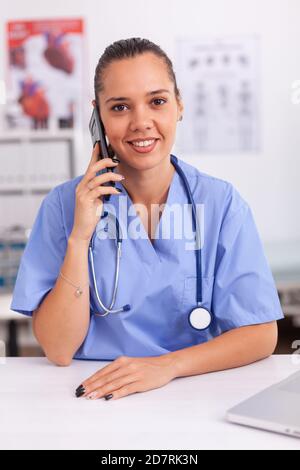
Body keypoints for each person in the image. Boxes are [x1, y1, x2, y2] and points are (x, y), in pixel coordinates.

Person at [11, 38, 284, 402]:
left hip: (193, 392)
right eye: (120, 107)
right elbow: (59, 350)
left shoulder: (221, 203)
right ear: (98, 117)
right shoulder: (63, 206)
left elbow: (260, 334)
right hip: (87, 398)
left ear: (179, 105)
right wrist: (80, 237)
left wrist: (166, 366)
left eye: (157, 101)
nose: (141, 123)